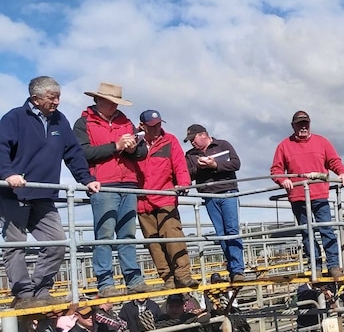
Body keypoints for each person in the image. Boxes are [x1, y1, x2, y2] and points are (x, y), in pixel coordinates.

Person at [0, 76, 101, 309]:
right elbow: (1, 148)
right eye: (51, 97)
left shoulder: (59, 120)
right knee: (16, 245)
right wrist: (8, 174)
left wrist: (87, 179)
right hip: (14, 193)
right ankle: (23, 294)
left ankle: (40, 290)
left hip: (43, 194)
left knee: (57, 243)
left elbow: (73, 153)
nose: (56, 101)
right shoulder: (14, 118)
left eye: (58, 96)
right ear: (35, 99)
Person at [73, 82, 150, 298]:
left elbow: (142, 152)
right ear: (100, 100)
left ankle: (134, 279)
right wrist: (115, 146)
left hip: (128, 183)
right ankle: (105, 281)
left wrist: (133, 149)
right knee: (105, 234)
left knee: (127, 234)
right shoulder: (83, 123)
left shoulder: (125, 122)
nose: (114, 106)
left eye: (117, 103)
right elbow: (81, 153)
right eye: (112, 102)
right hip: (103, 184)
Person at [270, 110, 344, 280]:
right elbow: (276, 170)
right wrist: (283, 180)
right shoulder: (284, 146)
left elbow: (334, 161)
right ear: (293, 126)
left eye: (306, 123)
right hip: (298, 196)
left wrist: (342, 173)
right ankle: (316, 265)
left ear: (310, 124)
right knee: (307, 233)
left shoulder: (322, 142)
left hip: (320, 194)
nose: (303, 127)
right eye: (299, 124)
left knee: (326, 229)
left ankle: (334, 265)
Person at [136, 110, 199, 290]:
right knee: (153, 242)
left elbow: (179, 164)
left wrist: (184, 183)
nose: (157, 128)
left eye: (159, 124)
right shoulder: (135, 142)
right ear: (142, 126)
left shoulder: (170, 140)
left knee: (173, 234)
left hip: (165, 195)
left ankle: (183, 274)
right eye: (152, 125)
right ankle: (167, 277)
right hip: (142, 199)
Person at [184, 124, 246, 284]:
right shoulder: (190, 155)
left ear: (203, 135)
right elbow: (187, 174)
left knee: (232, 230)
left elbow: (236, 164)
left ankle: (237, 269)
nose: (192, 143)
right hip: (208, 196)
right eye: (190, 141)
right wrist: (199, 167)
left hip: (228, 192)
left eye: (193, 139)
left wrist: (216, 166)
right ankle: (233, 268)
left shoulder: (223, 144)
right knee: (221, 233)